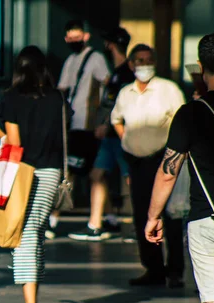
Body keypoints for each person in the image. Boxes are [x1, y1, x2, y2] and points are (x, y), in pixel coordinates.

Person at [145, 32, 214, 303]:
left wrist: (152, 216)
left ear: (203, 70)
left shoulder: (192, 113)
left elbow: (168, 170)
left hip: (208, 220)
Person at [0, 46, 68, 303]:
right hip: (50, 172)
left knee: (25, 236)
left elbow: (14, 146)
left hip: (23, 173)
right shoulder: (57, 98)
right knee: (35, 233)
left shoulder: (12, 99)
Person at [110, 43, 185, 287]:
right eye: (140, 60)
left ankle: (174, 271)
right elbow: (116, 120)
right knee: (142, 214)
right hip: (137, 161)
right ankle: (153, 269)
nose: (145, 65)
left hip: (163, 157)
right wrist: (127, 141)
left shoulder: (168, 89)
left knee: (171, 214)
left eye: (149, 59)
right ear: (131, 64)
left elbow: (180, 120)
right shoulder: (125, 92)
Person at [69, 27, 134, 241]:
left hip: (121, 134)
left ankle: (141, 221)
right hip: (109, 137)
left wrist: (106, 123)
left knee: (129, 178)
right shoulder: (116, 73)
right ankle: (96, 224)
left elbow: (120, 104)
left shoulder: (126, 73)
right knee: (97, 174)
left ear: (110, 45)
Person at [49, 19, 110, 238]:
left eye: (77, 36)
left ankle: (54, 218)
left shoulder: (96, 58)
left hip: (89, 125)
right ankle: (107, 217)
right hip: (75, 124)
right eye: (70, 37)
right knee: (93, 171)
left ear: (85, 36)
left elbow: (108, 84)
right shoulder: (71, 60)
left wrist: (104, 119)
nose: (74, 41)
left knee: (78, 170)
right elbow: (62, 89)